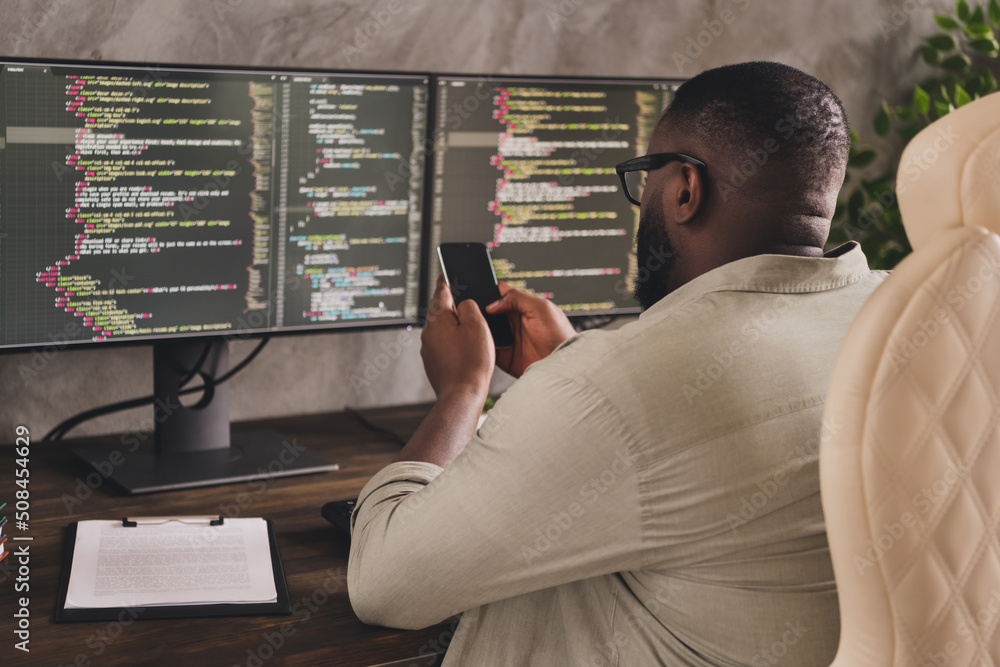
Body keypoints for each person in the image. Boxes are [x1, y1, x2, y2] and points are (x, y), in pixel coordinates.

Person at [347, 61, 887, 666]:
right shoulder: (917, 314)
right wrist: (573, 369)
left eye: (643, 177)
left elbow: (383, 586)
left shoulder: (617, 388)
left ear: (685, 188)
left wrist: (462, 390)